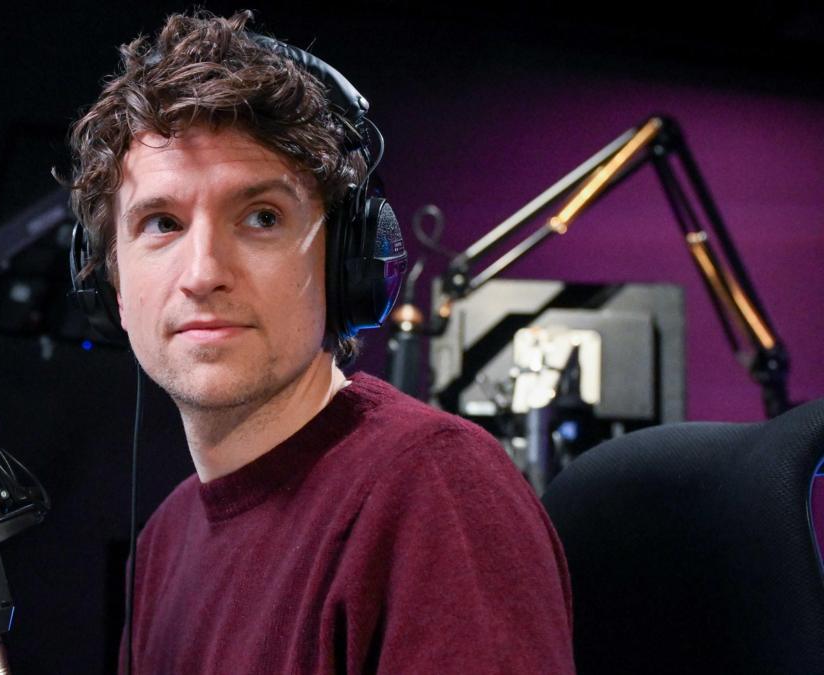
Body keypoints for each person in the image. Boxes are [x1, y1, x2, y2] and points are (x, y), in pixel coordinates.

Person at [67, 10, 575, 674]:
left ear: (345, 261)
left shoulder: (433, 491)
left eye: (261, 217)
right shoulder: (163, 541)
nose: (203, 274)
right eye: (161, 222)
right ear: (111, 287)